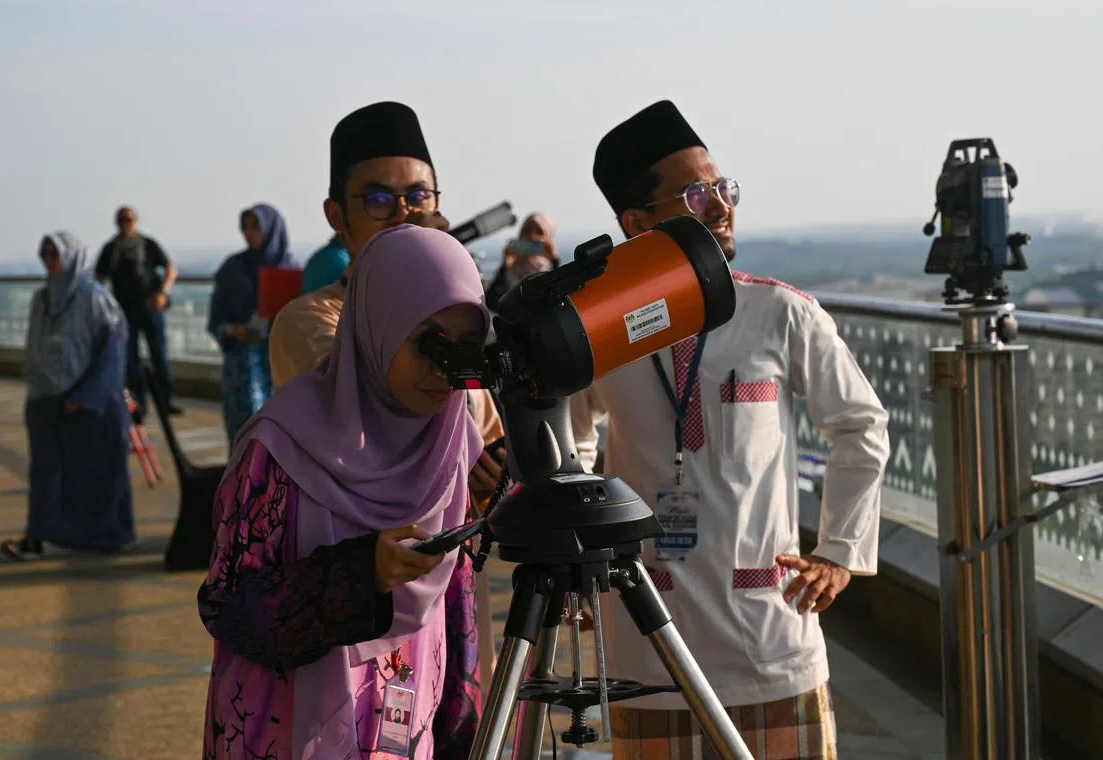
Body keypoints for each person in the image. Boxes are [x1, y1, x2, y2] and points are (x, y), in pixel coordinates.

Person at [570, 100, 891, 759]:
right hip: (648, 643)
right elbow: (570, 445)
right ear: (638, 223)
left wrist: (839, 551)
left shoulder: (779, 312)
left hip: (771, 639)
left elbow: (861, 425)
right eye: (696, 194)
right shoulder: (600, 330)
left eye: (723, 187)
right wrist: (581, 556)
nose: (721, 206)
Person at [198, 224, 488, 759]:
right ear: (378, 326)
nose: (444, 369)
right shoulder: (280, 446)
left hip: (406, 728)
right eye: (429, 342)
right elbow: (227, 605)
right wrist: (360, 575)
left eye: (464, 349)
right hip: (281, 733)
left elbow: (459, 620)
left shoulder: (454, 445)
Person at [266, 101, 507, 682]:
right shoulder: (311, 321)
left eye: (419, 197)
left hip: (449, 588)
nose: (404, 214)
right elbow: (383, 402)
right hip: (356, 592)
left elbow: (489, 440)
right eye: (379, 199)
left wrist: (499, 472)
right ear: (337, 215)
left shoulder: (463, 328)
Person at [0, 232, 135, 560]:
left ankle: (104, 536)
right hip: (45, 399)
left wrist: (87, 395)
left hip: (84, 404)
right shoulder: (41, 298)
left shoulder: (94, 297)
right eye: (45, 254)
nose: (50, 261)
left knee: (92, 473)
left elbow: (113, 348)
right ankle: (36, 537)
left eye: (55, 254)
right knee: (45, 472)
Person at [207, 203, 299, 446]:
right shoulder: (233, 268)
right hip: (244, 366)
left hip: (281, 364)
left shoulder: (291, 268)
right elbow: (216, 319)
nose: (249, 233)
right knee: (248, 434)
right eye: (245, 227)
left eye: (256, 226)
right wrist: (234, 330)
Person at [93, 206, 181, 415]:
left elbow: (171, 270)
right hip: (124, 312)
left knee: (159, 354)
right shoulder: (110, 249)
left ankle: (166, 401)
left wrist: (163, 293)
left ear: (136, 221)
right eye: (122, 220)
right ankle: (138, 405)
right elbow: (98, 279)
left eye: (130, 219)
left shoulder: (148, 244)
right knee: (130, 359)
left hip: (151, 307)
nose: (126, 224)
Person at [482, 211, 559, 311]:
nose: (532, 236)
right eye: (527, 230)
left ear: (549, 238)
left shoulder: (549, 272)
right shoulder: (510, 270)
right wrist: (505, 266)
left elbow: (556, 301)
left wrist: (554, 261)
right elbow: (491, 302)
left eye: (539, 232)